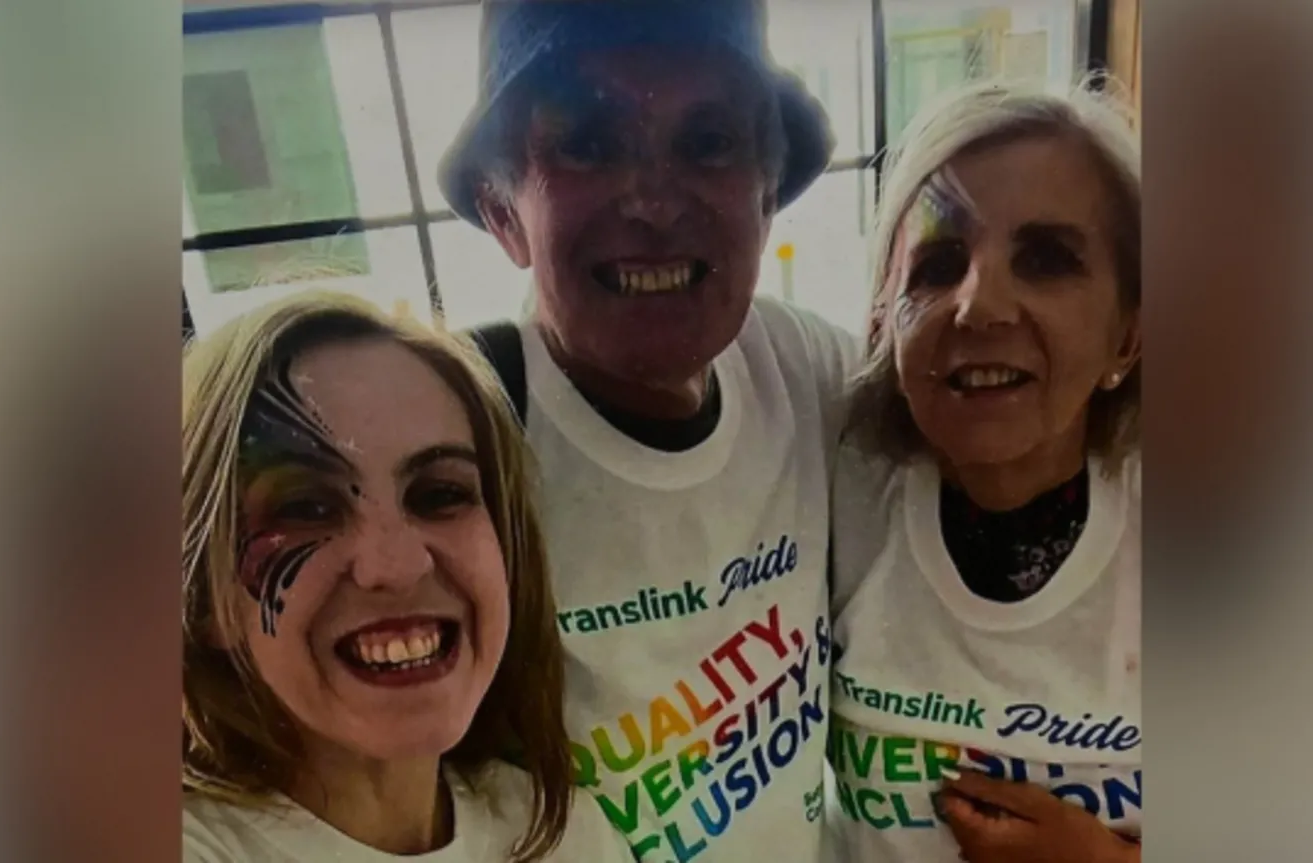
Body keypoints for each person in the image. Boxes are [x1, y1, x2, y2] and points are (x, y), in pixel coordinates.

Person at [437, 1, 859, 860]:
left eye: (708, 142)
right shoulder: (457, 435)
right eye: (588, 144)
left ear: (767, 194)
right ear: (502, 211)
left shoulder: (803, 364)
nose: (655, 203)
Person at [180, 293, 633, 862]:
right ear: (204, 601)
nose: (396, 567)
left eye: (440, 494)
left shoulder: (563, 833)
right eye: (304, 508)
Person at [826, 80, 1142, 863]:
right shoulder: (835, 492)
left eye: (1046, 259)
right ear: (882, 325)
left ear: (1129, 336)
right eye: (937, 264)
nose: (979, 305)